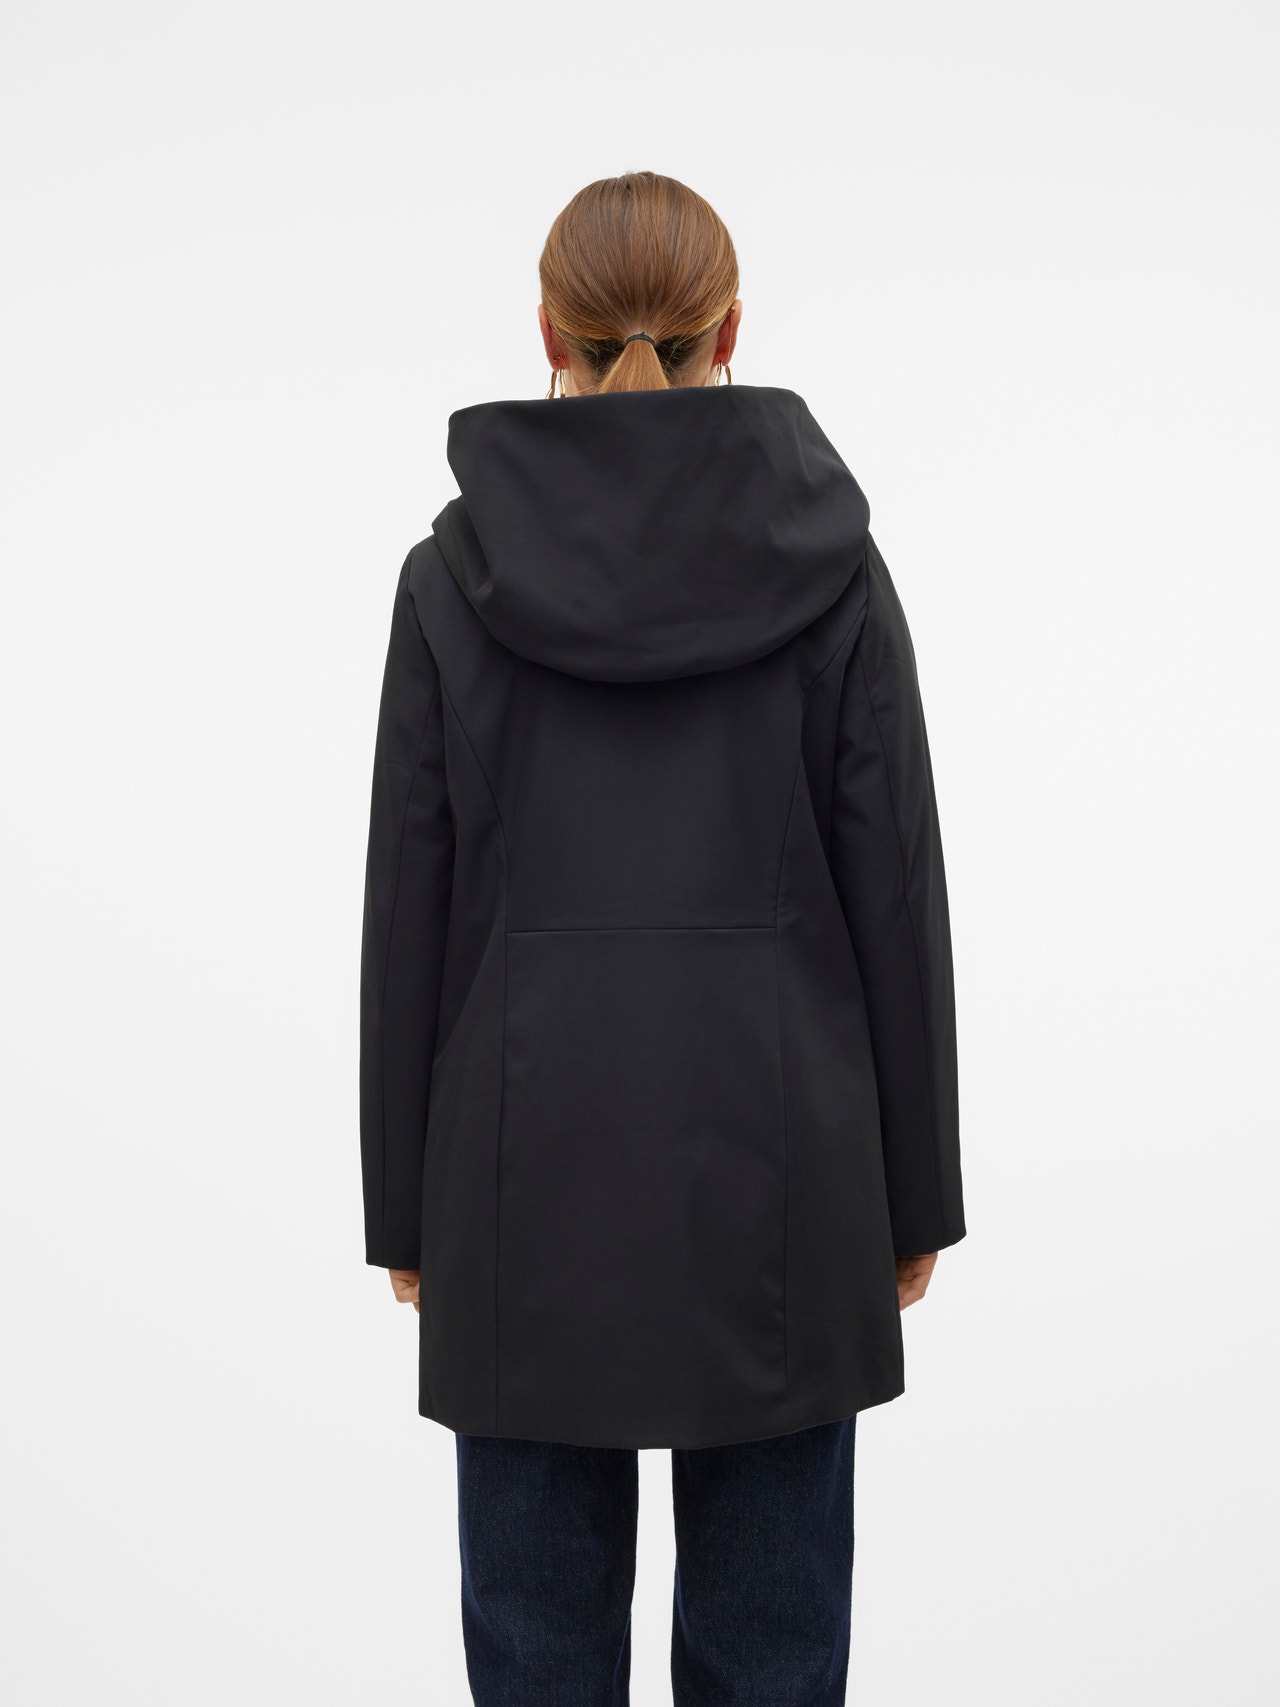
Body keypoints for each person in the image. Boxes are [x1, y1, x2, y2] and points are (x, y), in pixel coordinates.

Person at [358, 170, 966, 1707]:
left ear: (545, 333)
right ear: (732, 332)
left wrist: (406, 1214)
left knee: (535, 1665)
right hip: (788, 1192)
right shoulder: (834, 569)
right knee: (773, 1664)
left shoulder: (446, 582)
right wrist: (915, 1197)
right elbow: (897, 890)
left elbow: (407, 904)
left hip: (517, 1185)